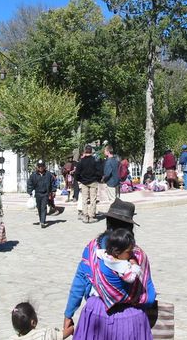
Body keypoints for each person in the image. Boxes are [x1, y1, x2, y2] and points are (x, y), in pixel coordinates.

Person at [64, 198, 156, 339]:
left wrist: (68, 314)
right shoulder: (138, 256)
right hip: (131, 319)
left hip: (97, 314)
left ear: (107, 224)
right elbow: (149, 296)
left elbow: (79, 283)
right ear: (129, 230)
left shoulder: (92, 250)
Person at [75, 145, 102, 224]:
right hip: (93, 181)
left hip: (84, 182)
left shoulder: (81, 162)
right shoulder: (95, 160)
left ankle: (85, 216)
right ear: (91, 151)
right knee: (93, 199)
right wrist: (98, 179)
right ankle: (91, 216)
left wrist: (80, 180)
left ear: (84, 151)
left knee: (84, 199)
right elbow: (99, 172)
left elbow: (77, 173)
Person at [27, 160, 55, 228]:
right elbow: (30, 183)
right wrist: (30, 191)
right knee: (39, 208)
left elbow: (53, 183)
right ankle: (41, 219)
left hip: (45, 194)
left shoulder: (49, 174)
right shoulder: (33, 175)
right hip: (37, 194)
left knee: (43, 207)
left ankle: (43, 221)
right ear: (37, 167)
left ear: (44, 167)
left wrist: (53, 191)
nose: (40, 168)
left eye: (42, 166)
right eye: (39, 166)